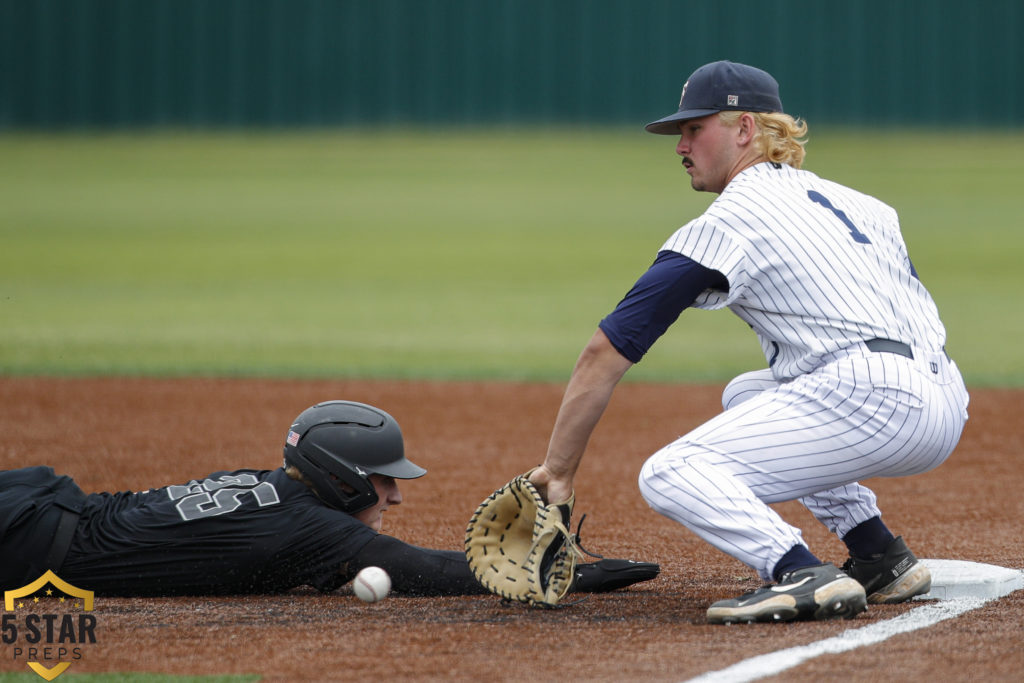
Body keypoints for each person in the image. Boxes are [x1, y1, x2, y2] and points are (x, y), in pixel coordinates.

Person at [525, 60, 969, 624]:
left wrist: (558, 471)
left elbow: (604, 352)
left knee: (670, 472)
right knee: (747, 392)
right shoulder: (864, 204)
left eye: (694, 128)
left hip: (874, 401)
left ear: (745, 130)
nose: (680, 144)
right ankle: (879, 555)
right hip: (945, 396)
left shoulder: (733, 218)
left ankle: (798, 570)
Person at [0, 400, 659, 596]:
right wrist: (571, 575)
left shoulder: (271, 484)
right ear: (341, 474)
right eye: (383, 478)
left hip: (42, 507)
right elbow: (421, 569)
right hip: (27, 540)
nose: (396, 495)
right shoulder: (316, 528)